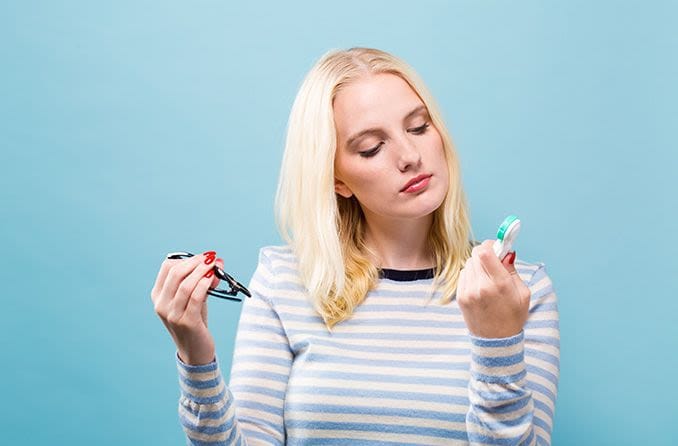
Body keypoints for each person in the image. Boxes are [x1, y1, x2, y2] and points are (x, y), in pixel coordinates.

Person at [150, 47, 560, 445]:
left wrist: (497, 341)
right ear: (336, 179)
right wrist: (196, 358)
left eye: (418, 127)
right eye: (371, 147)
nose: (410, 155)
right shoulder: (283, 284)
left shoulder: (521, 290)